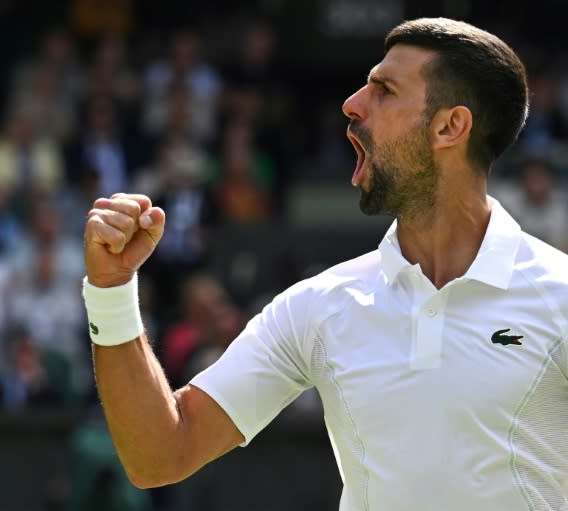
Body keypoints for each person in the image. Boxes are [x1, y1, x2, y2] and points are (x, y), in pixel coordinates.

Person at [82, 18, 568, 510]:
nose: (352, 104)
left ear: (449, 127)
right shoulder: (317, 306)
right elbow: (160, 455)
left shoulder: (561, 296)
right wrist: (111, 289)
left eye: (384, 90)